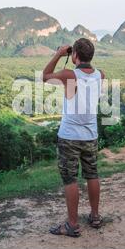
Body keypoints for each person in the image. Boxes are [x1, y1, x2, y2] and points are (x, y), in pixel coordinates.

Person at [42, 38, 105, 238]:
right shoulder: (100, 75)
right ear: (91, 55)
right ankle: (95, 216)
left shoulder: (69, 75)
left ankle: (72, 224)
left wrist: (60, 54)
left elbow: (45, 76)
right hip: (91, 135)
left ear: (75, 55)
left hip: (69, 135)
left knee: (70, 179)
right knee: (92, 174)